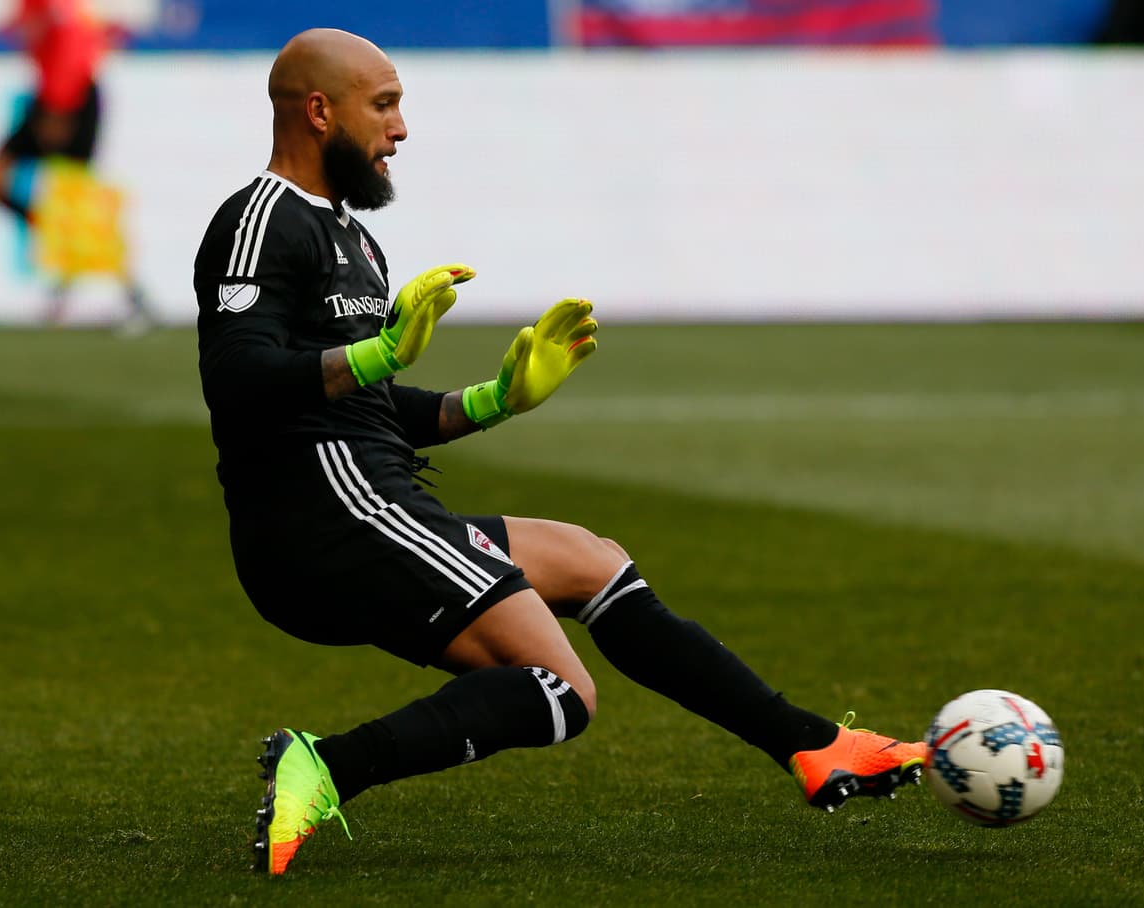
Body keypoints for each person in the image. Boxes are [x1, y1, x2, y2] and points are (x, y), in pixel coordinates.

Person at [192, 28, 927, 876]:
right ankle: (325, 767)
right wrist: (378, 354)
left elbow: (366, 403)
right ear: (319, 112)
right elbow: (241, 378)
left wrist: (493, 401)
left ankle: (811, 744)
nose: (401, 130)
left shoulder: (352, 237)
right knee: (563, 693)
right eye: (385, 105)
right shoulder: (260, 221)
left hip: (369, 503)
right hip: (327, 517)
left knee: (591, 562)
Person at [0, 0, 153, 332]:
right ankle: (54, 233)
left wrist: (57, 114)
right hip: (51, 99)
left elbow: (73, 50)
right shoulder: (36, 9)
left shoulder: (59, 13)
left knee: (77, 200)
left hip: (68, 104)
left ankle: (130, 293)